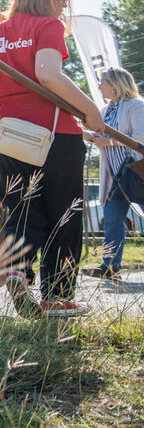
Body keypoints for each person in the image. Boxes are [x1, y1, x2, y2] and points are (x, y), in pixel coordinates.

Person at [0, 0, 104, 319]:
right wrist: (90, 109)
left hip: (7, 138)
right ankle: (57, 296)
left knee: (21, 211)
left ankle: (16, 271)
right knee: (64, 212)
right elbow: (47, 73)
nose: (64, 2)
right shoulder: (49, 26)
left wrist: (4, 50)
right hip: (54, 135)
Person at [82, 66, 144, 281]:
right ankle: (110, 266)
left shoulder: (136, 106)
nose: (99, 86)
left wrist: (107, 141)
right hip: (115, 176)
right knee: (112, 221)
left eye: (102, 82)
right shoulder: (105, 109)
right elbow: (98, 135)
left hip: (137, 172)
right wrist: (86, 135)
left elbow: (140, 138)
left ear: (115, 84)